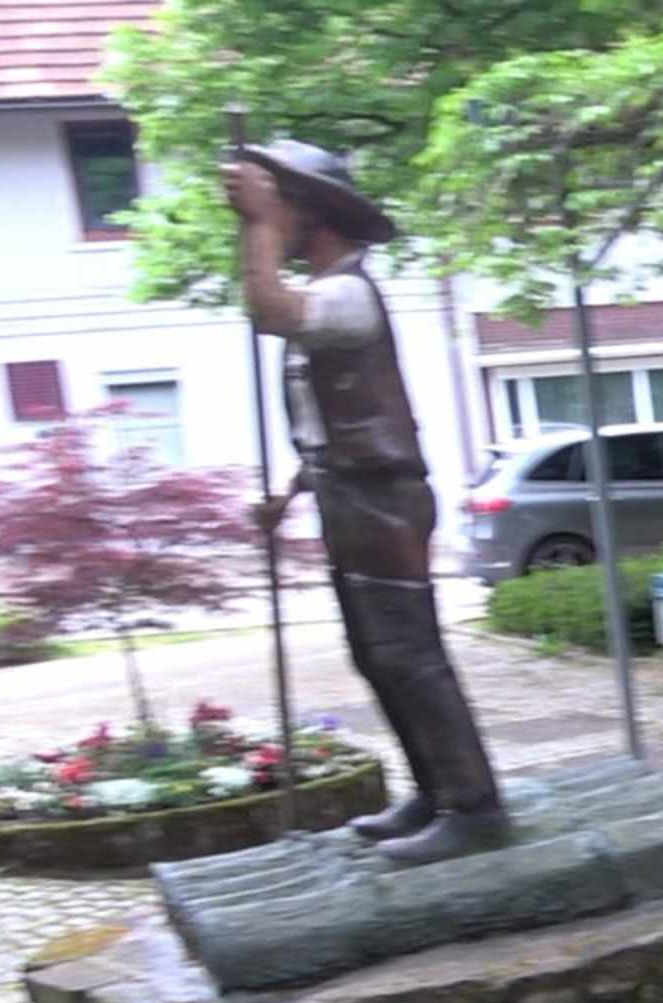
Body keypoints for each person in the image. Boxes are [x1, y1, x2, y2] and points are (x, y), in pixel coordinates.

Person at [221, 139, 507, 865]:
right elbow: (331, 421)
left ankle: (475, 807)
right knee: (376, 656)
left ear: (312, 214)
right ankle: (434, 792)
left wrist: (255, 227)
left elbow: (268, 309)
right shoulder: (327, 293)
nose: (275, 224)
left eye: (282, 209)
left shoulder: (347, 295)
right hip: (345, 493)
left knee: (409, 655)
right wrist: (289, 493)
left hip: (382, 500)